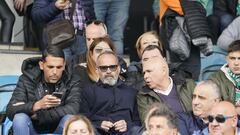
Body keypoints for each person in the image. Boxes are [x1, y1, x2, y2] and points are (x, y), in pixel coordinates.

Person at [6, 46, 81, 134]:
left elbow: (74, 109)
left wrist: (39, 116)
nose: (55, 72)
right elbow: (11, 110)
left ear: (64, 65)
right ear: (41, 65)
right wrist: (35, 106)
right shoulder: (27, 78)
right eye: (50, 67)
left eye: (59, 67)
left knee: (70, 120)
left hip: (59, 128)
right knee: (20, 118)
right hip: (32, 128)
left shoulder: (72, 79)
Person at [137, 45, 197, 135]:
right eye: (144, 73)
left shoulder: (188, 85)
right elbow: (149, 124)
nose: (145, 76)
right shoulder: (143, 95)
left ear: (164, 70)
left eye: (149, 71)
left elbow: (200, 115)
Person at [79, 51, 139, 135]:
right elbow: (82, 120)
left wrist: (127, 125)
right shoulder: (88, 91)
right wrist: (98, 124)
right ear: (97, 70)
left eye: (112, 67)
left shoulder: (131, 92)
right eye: (104, 68)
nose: (108, 71)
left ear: (118, 69)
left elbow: (137, 122)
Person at [31, 0, 96, 59]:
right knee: (62, 70)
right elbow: (36, 15)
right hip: (58, 39)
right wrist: (55, 6)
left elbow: (91, 15)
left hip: (82, 38)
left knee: (82, 70)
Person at [208, 40, 240, 114]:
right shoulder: (215, 79)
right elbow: (214, 108)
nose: (236, 63)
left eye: (239, 59)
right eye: (232, 58)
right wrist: (236, 111)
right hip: (226, 122)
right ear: (227, 59)